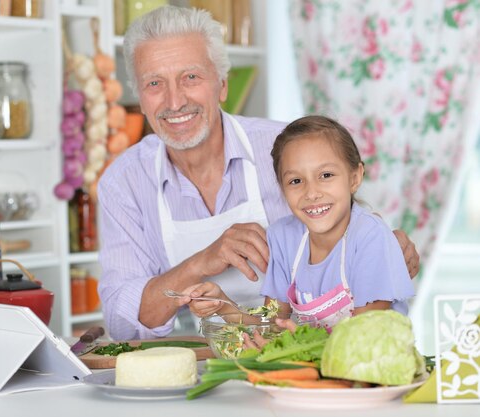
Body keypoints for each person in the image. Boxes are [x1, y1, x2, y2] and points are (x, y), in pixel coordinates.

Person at [97, 5, 420, 340]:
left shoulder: (288, 151)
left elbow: (353, 231)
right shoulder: (124, 183)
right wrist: (201, 264)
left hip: (312, 364)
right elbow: (122, 325)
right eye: (154, 83)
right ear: (139, 97)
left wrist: (387, 247)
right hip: (209, 363)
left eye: (190, 77)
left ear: (222, 85)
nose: (174, 101)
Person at [187, 116, 416, 335]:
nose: (312, 192)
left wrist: (299, 344)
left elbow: (364, 333)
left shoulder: (370, 236)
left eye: (326, 175)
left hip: (377, 369)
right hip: (318, 370)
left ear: (355, 178)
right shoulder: (284, 238)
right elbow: (271, 328)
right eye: (296, 181)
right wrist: (223, 305)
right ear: (282, 188)